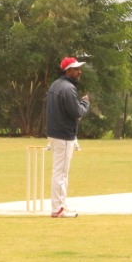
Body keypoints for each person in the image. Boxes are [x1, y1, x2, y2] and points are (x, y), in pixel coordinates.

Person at [44, 56, 91, 218]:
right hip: (63, 135)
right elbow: (77, 112)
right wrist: (85, 103)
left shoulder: (56, 85)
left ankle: (61, 205)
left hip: (55, 134)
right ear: (68, 71)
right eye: (76, 69)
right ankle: (58, 208)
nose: (80, 72)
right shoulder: (68, 88)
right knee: (61, 173)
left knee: (61, 172)